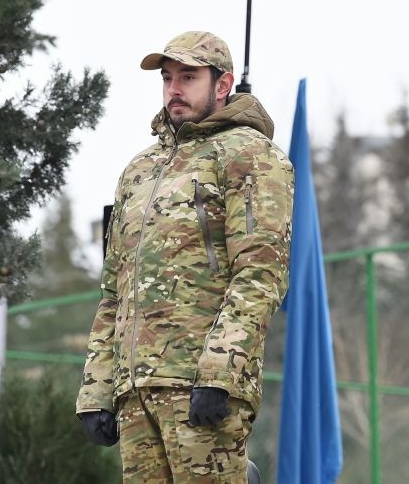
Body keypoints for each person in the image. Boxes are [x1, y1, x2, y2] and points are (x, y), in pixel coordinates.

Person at [76, 30, 294, 484]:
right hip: (136, 390)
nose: (174, 88)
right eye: (168, 77)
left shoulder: (249, 155)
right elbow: (114, 290)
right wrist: (97, 388)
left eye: (188, 77)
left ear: (223, 84)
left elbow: (259, 273)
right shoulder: (139, 170)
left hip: (200, 383)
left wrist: (221, 372)